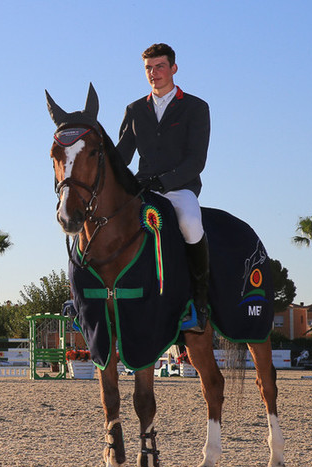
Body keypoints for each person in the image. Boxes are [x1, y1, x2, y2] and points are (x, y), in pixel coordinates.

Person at [116, 43, 211, 332]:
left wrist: (165, 181)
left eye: (159, 66)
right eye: (148, 68)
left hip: (180, 189)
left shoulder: (196, 107)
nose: (153, 73)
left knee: (192, 224)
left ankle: (200, 302)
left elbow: (196, 159)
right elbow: (122, 155)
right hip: (143, 189)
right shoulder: (134, 109)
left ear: (173, 68)